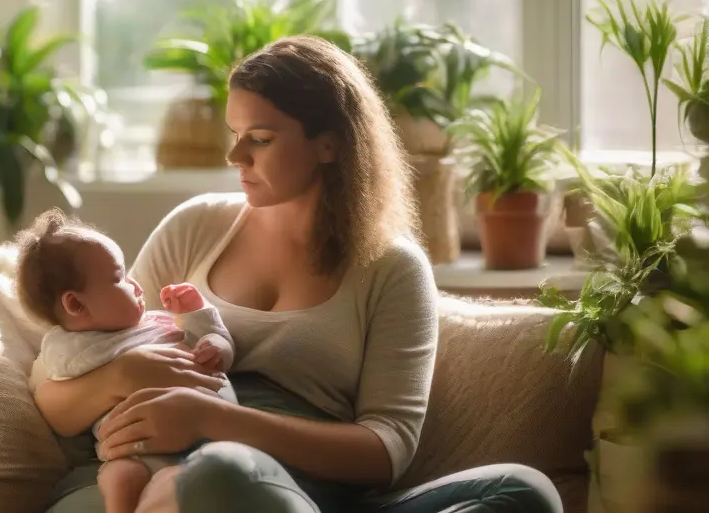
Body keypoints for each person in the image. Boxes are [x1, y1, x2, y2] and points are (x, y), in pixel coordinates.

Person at [34, 35, 562, 513]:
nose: (234, 155)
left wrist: (215, 420)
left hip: (306, 495)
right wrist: (122, 377)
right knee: (211, 477)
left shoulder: (392, 269)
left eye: (259, 139)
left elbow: (388, 450)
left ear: (329, 145)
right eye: (234, 133)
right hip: (149, 477)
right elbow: (57, 389)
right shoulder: (196, 227)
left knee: (523, 491)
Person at [16, 208, 237, 513]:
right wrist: (122, 374)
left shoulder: (158, 321)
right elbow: (52, 392)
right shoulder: (74, 351)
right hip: (139, 445)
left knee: (188, 479)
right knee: (123, 474)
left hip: (218, 431)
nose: (135, 284)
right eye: (119, 277)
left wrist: (213, 339)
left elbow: (213, 340)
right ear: (77, 304)